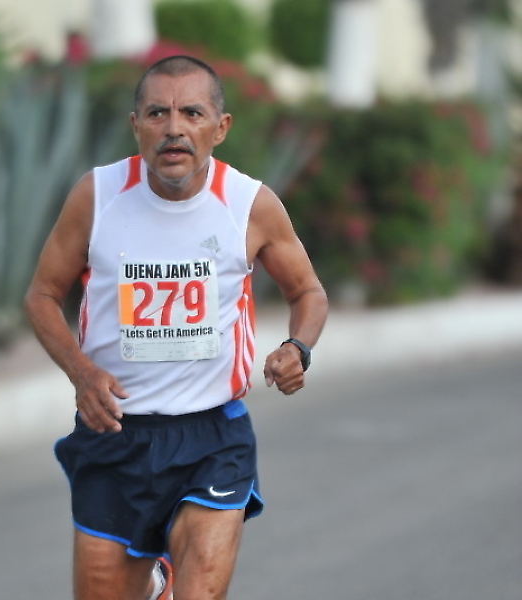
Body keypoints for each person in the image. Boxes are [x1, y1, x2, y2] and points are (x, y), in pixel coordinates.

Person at [24, 55, 328, 600]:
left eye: (192, 112)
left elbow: (308, 292)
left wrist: (297, 346)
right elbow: (42, 296)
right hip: (115, 433)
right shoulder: (98, 196)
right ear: (135, 125)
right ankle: (154, 580)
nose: (174, 128)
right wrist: (82, 373)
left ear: (220, 127)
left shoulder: (248, 205)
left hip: (213, 437)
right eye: (157, 113)